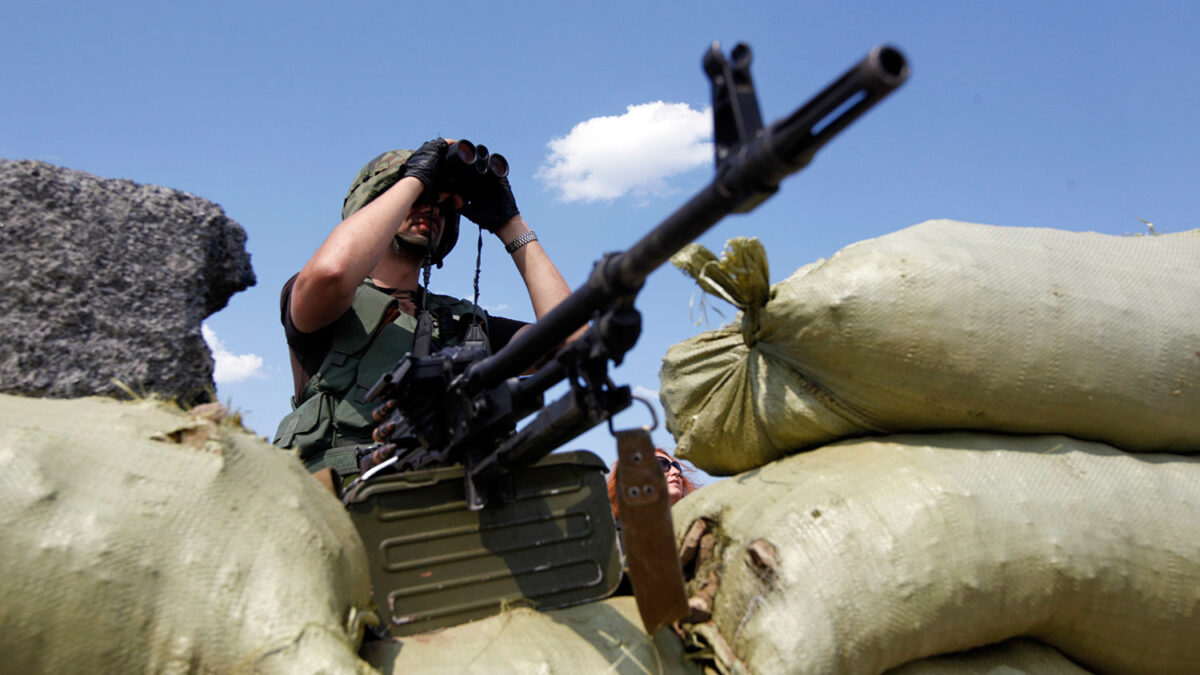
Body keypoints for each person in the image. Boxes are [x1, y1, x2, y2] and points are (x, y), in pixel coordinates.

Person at [272, 139, 579, 478]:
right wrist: (418, 177)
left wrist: (511, 224)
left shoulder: (466, 323)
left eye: (445, 207)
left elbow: (573, 341)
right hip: (350, 510)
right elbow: (331, 273)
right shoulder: (325, 299)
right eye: (418, 199)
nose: (431, 209)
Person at [606, 448, 699, 521]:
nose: (676, 471)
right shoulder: (614, 536)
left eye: (676, 466)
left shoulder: (701, 524)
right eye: (662, 465)